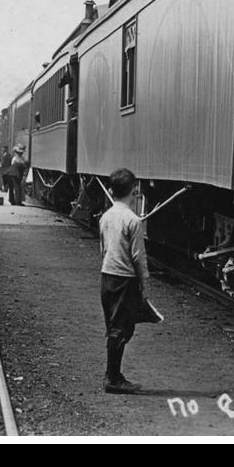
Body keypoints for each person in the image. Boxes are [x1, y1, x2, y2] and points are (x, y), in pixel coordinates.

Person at [99, 167, 151, 394]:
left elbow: (103, 248)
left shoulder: (106, 216)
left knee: (113, 325)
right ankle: (112, 379)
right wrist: (144, 284)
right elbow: (139, 257)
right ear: (134, 191)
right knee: (122, 329)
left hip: (107, 276)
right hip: (125, 279)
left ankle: (113, 374)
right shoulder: (134, 220)